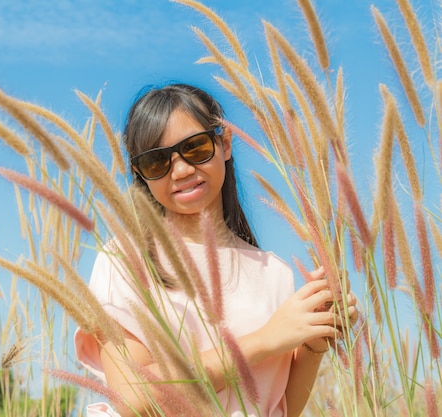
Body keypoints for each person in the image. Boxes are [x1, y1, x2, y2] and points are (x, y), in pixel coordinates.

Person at [74, 83, 358, 417]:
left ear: (224, 144)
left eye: (194, 148)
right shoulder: (125, 261)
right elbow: (137, 398)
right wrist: (267, 339)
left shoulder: (274, 273)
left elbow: (278, 408)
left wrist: (313, 343)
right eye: (156, 161)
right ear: (140, 175)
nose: (180, 170)